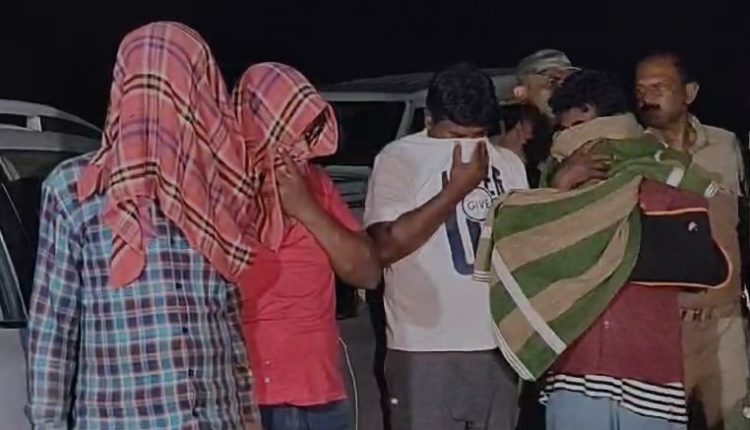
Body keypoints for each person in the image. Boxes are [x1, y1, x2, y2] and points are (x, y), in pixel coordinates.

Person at [26, 22, 261, 429]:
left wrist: (248, 417)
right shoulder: (75, 190)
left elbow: (228, 322)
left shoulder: (220, 190)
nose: (164, 97)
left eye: (180, 81)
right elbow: (53, 330)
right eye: (151, 83)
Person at [535, 69, 735, 430]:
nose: (570, 142)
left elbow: (713, 273)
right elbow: (535, 264)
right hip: (575, 377)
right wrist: (562, 186)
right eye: (563, 131)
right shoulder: (554, 191)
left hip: (649, 381)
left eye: (579, 127)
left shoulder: (670, 179)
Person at [364, 62, 528, 430]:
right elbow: (385, 248)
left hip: (498, 345)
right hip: (425, 347)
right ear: (428, 119)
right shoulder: (398, 157)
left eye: (478, 135)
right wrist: (456, 190)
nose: (466, 145)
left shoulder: (508, 162)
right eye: (454, 134)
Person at [233, 62, 381, 430]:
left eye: (307, 132)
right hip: (248, 399)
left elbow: (367, 272)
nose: (301, 146)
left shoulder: (316, 185)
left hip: (321, 396)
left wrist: (306, 208)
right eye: (293, 132)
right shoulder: (219, 189)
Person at [636, 52, 750, 430]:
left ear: (689, 92)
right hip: (663, 327)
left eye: (659, 87)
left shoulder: (726, 145)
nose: (647, 97)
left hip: (726, 323)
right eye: (640, 89)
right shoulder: (633, 153)